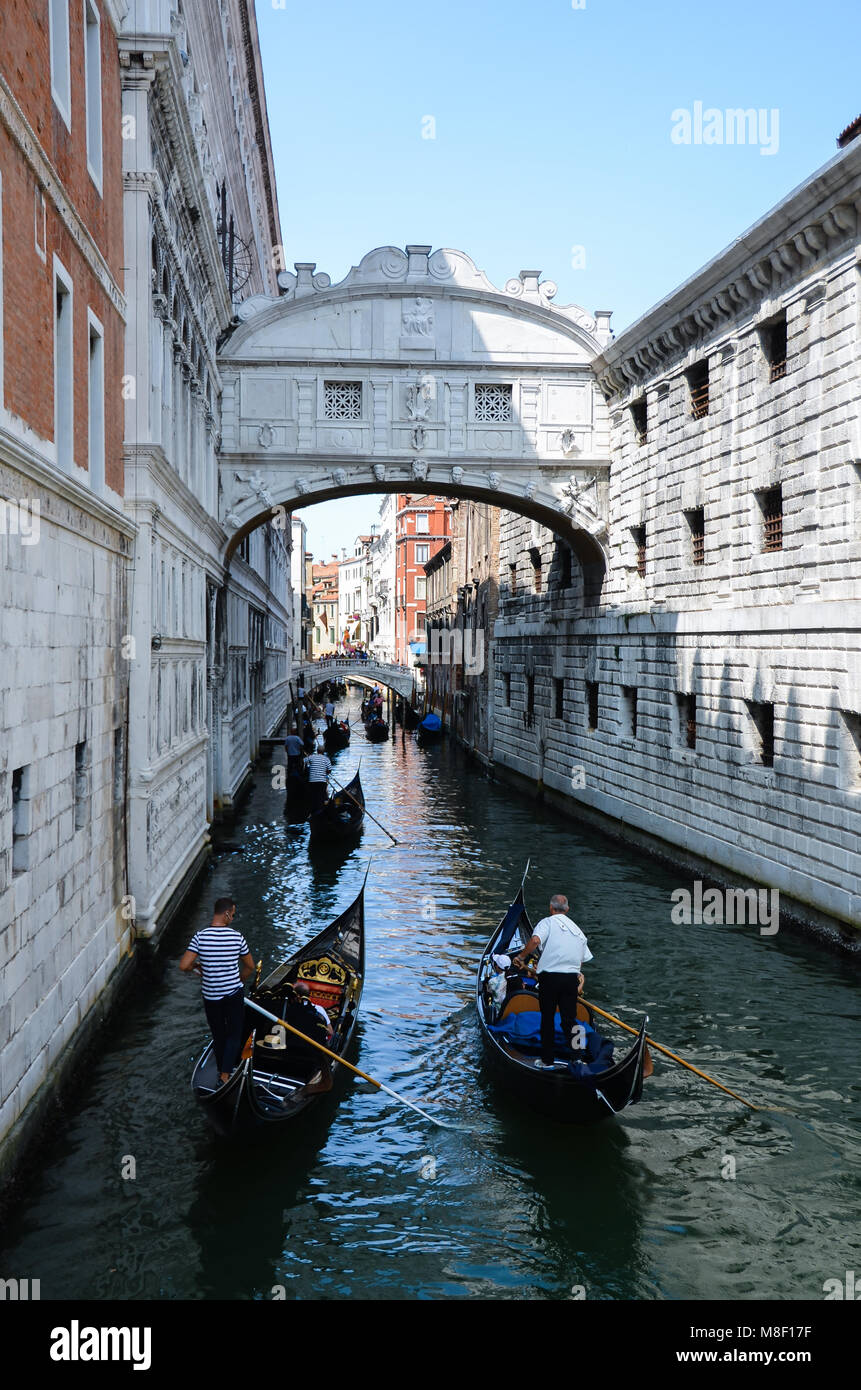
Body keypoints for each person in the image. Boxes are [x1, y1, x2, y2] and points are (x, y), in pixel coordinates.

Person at [511, 894, 592, 1070]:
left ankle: (547, 1061)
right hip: (571, 979)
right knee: (570, 1020)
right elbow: (581, 960)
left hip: (550, 978)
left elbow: (534, 940)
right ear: (567, 910)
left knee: (547, 1018)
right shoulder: (578, 931)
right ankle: (578, 1058)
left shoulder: (547, 922)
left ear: (551, 908)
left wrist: (521, 956)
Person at [179, 898, 256, 1085]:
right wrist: (239, 979)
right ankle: (225, 1075)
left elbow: (184, 966)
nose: (233, 918)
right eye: (233, 915)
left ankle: (222, 1069)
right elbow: (250, 966)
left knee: (218, 1034)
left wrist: (198, 969)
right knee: (234, 1034)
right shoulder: (236, 937)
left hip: (211, 995)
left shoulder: (200, 936)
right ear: (227, 913)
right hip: (233, 993)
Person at [305, 745, 332, 811]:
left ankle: (313, 810)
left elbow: (304, 761)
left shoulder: (311, 757)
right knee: (321, 796)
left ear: (317, 751)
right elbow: (329, 770)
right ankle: (320, 809)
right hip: (322, 781)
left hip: (312, 781)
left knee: (314, 796)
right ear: (323, 751)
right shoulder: (326, 759)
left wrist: (308, 763)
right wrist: (326, 772)